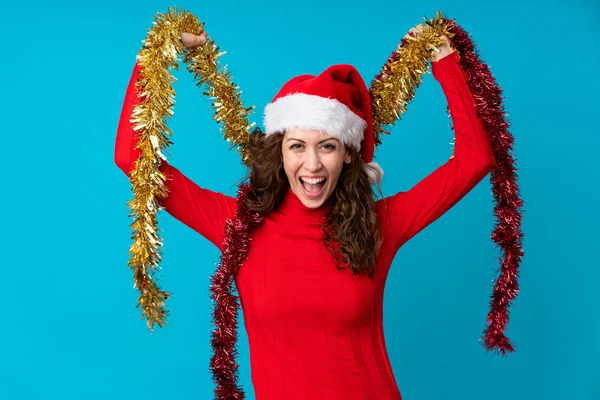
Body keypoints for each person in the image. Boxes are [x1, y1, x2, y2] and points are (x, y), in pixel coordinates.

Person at [115, 24, 495, 400]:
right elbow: (133, 158)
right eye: (297, 146)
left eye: (327, 147)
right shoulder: (239, 225)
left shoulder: (381, 223)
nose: (311, 165)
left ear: (348, 154)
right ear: (279, 151)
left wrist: (445, 60)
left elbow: (475, 159)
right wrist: (156, 56)